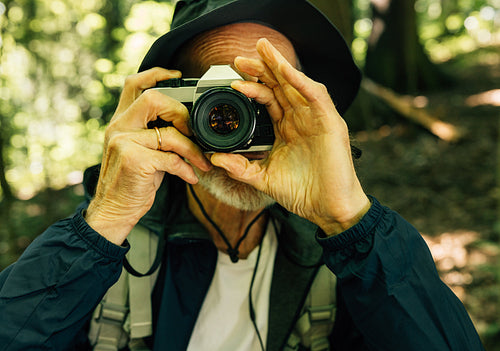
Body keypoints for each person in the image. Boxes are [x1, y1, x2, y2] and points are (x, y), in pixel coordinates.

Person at [0, 0, 485, 350]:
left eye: (266, 97)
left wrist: (350, 223)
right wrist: (103, 222)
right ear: (171, 106)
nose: (240, 124)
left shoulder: (341, 265)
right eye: (221, 104)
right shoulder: (112, 251)